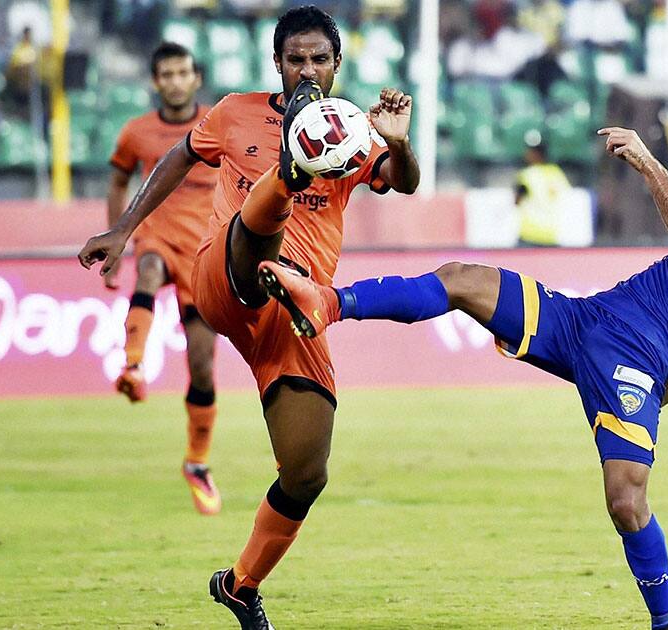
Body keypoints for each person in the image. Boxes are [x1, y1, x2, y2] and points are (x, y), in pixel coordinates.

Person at [259, 128, 668, 630]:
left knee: (626, 502)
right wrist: (656, 401)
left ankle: (666, 624)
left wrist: (648, 160)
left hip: (632, 356)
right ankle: (327, 302)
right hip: (587, 321)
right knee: (464, 278)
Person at [78, 6, 419, 628]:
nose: (308, 69)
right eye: (296, 60)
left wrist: (397, 141)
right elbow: (179, 159)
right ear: (278, 64)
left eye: (319, 59)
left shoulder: (352, 129)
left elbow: (403, 181)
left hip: (297, 310)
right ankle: (286, 179)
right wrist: (125, 229)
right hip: (228, 275)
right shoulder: (235, 112)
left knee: (307, 471)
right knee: (256, 240)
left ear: (337, 65)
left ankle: (239, 584)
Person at [103, 42, 222, 516]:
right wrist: (116, 244)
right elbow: (117, 182)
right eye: (166, 74)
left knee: (203, 364)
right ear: (156, 82)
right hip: (157, 235)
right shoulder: (136, 133)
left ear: (196, 78)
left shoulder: (218, 124)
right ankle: (133, 365)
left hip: (204, 252)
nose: (174, 81)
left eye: (182, 72)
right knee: (147, 269)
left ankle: (196, 462)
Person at [513, 135, 571, 246]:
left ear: (536, 154)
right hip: (550, 235)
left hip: (529, 234)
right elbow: (566, 197)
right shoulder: (556, 172)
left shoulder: (527, 174)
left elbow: (517, 201)